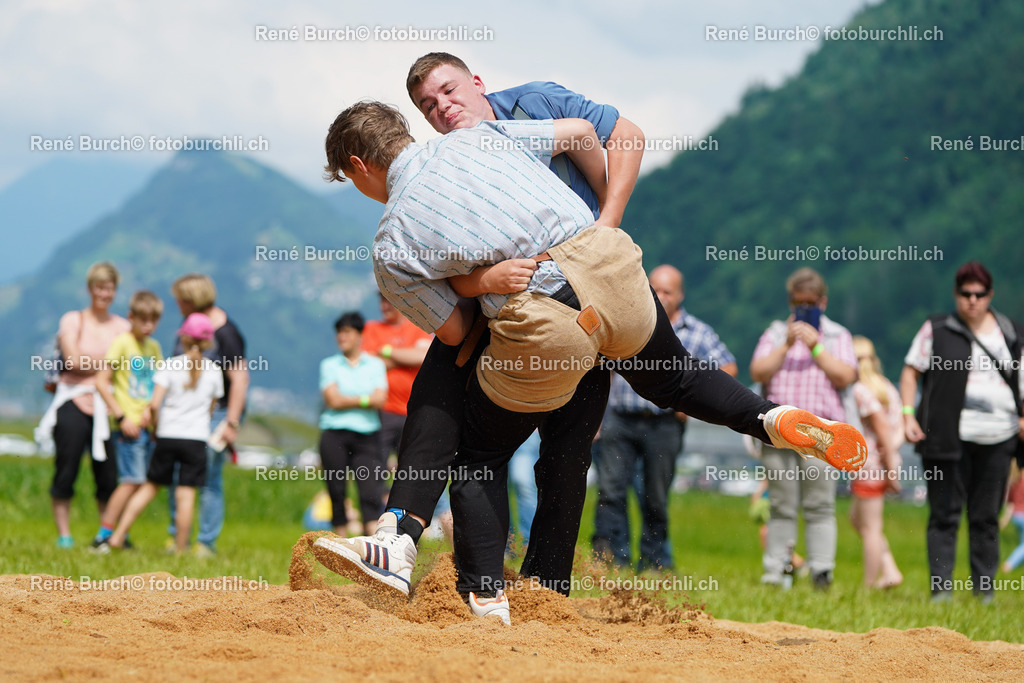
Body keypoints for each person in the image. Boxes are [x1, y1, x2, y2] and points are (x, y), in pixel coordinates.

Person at [313, 101, 866, 621]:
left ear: (360, 165)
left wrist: (471, 280)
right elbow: (578, 131)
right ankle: (771, 418)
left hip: (543, 320)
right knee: (676, 378)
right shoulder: (478, 136)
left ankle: (485, 603)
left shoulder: (393, 240)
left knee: (480, 456)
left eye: (351, 180)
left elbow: (459, 331)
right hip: (611, 263)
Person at [315, 51, 644, 612]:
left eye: (447, 92)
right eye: (427, 106)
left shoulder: (532, 105)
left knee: (548, 452)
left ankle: (528, 590)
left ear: (477, 82)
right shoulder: (448, 160)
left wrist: (604, 230)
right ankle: (453, 565)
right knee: (461, 408)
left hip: (584, 301)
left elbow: (621, 135)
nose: (442, 109)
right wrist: (479, 280)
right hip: (514, 312)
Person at [593, 264, 738, 572]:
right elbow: (602, 368)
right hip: (621, 418)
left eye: (667, 291)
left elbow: (728, 369)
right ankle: (611, 559)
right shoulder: (630, 321)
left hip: (664, 423)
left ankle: (655, 562)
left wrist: (692, 401)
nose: (660, 296)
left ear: (680, 296)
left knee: (655, 496)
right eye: (654, 289)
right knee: (610, 490)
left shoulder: (696, 332)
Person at [900, 261, 1024, 603]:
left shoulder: (1012, 332)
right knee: (944, 515)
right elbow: (910, 371)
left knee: (985, 517)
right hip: (945, 437)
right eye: (966, 293)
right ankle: (941, 591)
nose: (972, 300)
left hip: (999, 436)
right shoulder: (936, 329)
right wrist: (908, 413)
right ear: (956, 295)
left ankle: (984, 591)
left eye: (979, 294)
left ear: (990, 295)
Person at [750, 267, 858, 590]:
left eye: (810, 303)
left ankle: (821, 571)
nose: (805, 309)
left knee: (820, 504)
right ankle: (778, 571)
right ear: (790, 303)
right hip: (780, 428)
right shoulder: (774, 334)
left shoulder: (838, 336)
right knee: (781, 505)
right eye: (799, 303)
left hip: (823, 432)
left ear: (822, 303)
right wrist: (785, 345)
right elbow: (758, 370)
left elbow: (845, 376)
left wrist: (816, 347)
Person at [108, 313, 224, 552]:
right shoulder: (214, 371)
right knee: (186, 494)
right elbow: (212, 408)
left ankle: (117, 536)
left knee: (150, 487)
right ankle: (181, 548)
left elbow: (154, 404)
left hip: (168, 435)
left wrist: (155, 428)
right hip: (196, 439)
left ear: (182, 337)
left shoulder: (170, 365)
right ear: (209, 342)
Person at [37, 262, 131, 548]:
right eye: (100, 287)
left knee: (108, 475)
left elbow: (127, 366)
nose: (105, 293)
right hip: (72, 400)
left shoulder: (122, 326)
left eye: (110, 288)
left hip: (109, 405)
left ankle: (107, 533)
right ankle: (64, 535)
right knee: (66, 469)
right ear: (90, 289)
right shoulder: (73, 320)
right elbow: (73, 360)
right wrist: (108, 365)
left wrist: (94, 366)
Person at [166, 273, 249, 556]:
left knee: (210, 478)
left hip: (218, 414)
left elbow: (239, 379)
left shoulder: (226, 333)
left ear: (192, 300)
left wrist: (231, 423)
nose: (176, 304)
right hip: (184, 415)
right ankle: (177, 537)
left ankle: (205, 542)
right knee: (179, 475)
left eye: (180, 299)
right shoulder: (187, 326)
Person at [90, 290, 164, 551]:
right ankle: (103, 534)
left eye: (154, 320)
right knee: (131, 481)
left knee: (141, 482)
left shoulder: (154, 347)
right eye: (143, 320)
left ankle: (120, 534)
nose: (148, 326)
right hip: (127, 427)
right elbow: (101, 381)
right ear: (130, 317)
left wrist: (152, 413)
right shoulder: (122, 343)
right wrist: (121, 415)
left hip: (147, 426)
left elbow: (157, 385)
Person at [319, 312, 389, 536]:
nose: (341, 337)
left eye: (347, 332)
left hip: (367, 436)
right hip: (334, 434)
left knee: (370, 492)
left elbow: (380, 399)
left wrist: (347, 399)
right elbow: (332, 400)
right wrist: (364, 399)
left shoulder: (376, 364)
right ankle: (339, 547)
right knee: (336, 491)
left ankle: (371, 549)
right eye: (339, 332)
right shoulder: (329, 364)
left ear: (360, 335)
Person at [848, 335, 904, 588]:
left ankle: (869, 585)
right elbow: (898, 430)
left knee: (870, 528)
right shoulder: (887, 387)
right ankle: (889, 568)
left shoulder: (861, 390)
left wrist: (890, 469)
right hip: (884, 461)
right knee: (856, 519)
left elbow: (882, 429)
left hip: (872, 465)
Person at [360, 294, 431, 470]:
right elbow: (366, 365)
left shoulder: (418, 327)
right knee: (376, 469)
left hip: (415, 410)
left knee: (417, 469)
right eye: (382, 301)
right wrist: (406, 357)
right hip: (383, 411)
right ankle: (380, 498)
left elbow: (423, 357)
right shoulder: (371, 328)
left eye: (389, 301)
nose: (385, 306)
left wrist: (386, 350)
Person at [1001, 463, 1024, 573]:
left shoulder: (1015, 481)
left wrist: (1005, 519)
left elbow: (1010, 503)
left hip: (1016, 516)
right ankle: (1009, 564)